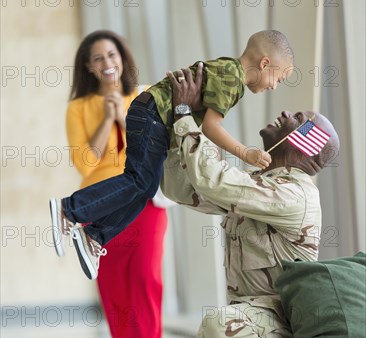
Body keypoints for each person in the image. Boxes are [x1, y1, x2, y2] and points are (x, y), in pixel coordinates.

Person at [154, 68, 340, 338]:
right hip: (248, 333)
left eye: (300, 120)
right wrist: (175, 128)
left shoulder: (295, 196)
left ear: (306, 146)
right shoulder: (260, 186)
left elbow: (213, 181)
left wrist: (184, 116)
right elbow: (180, 188)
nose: (287, 115)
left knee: (216, 325)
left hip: (278, 327)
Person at [50, 30, 294, 280]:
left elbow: (203, 125)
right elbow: (211, 126)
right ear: (264, 63)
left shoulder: (227, 70)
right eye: (279, 78)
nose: (274, 86)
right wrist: (246, 152)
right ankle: (69, 210)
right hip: (151, 116)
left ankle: (94, 236)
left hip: (148, 115)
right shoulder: (233, 79)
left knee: (144, 187)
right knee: (139, 181)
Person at [63, 30, 170, 338]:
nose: (107, 63)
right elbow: (85, 161)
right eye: (98, 58)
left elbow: (155, 150)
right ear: (89, 67)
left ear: (122, 58)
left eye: (112, 55)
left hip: (144, 204)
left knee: (145, 279)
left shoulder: (144, 98)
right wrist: (106, 120)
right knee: (114, 290)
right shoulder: (79, 108)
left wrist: (124, 119)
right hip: (103, 207)